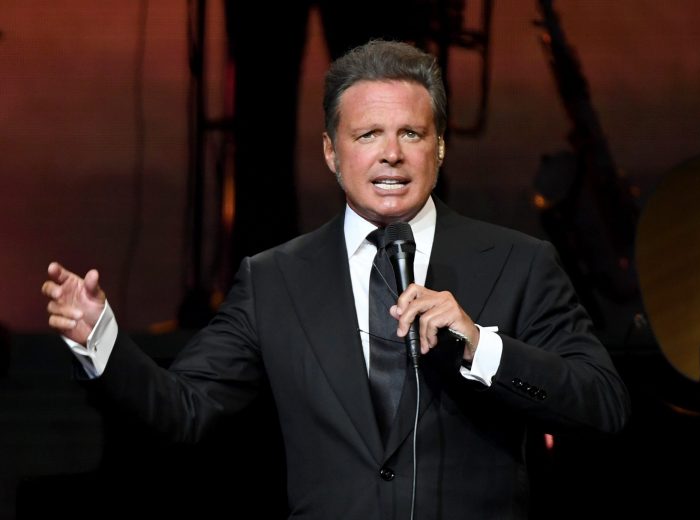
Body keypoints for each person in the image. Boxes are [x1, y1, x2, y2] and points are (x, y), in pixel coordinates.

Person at [42, 39, 630, 519]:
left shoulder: (518, 262)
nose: (391, 154)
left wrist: (483, 346)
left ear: (440, 149)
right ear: (330, 151)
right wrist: (100, 338)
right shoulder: (274, 279)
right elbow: (186, 409)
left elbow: (604, 405)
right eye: (368, 135)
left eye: (411, 133)